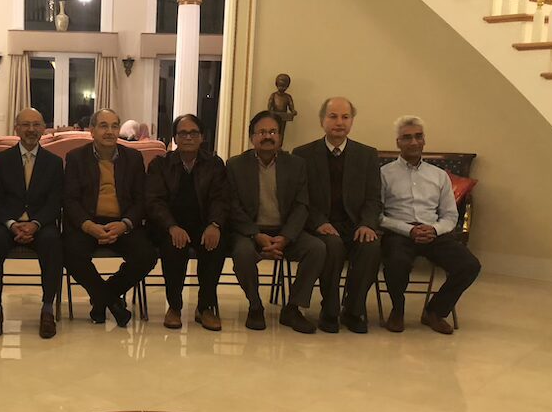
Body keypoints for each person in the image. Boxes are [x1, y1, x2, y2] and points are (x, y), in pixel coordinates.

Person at [380, 116, 481, 334]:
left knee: (469, 265)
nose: (414, 142)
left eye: (418, 136)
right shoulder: (384, 174)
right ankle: (397, 310)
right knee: (396, 262)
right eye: (407, 137)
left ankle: (435, 311)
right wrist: (409, 230)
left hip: (433, 233)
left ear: (424, 140)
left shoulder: (439, 176)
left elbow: (450, 216)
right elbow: (378, 216)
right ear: (398, 142)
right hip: (399, 233)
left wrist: (434, 229)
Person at [226, 111, 325, 333]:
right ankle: (255, 305)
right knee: (242, 253)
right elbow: (233, 207)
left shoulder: (296, 165)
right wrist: (256, 235)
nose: (267, 136)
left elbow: (302, 204)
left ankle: (293, 308)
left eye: (272, 132)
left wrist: (286, 237)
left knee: (317, 248)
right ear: (252, 137)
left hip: (285, 231)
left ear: (280, 137)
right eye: (261, 132)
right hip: (250, 232)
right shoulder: (235, 165)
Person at [293, 97, 382, 333]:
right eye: (333, 116)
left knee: (371, 246)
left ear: (352, 121)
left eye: (345, 117)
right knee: (331, 246)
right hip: (320, 225)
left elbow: (373, 198)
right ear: (322, 120)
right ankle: (330, 309)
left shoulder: (367, 155)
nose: (339, 122)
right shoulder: (302, 154)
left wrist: (367, 224)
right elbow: (301, 198)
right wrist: (319, 222)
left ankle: (353, 310)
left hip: (355, 225)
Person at [63, 108, 158, 327]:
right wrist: (89, 226)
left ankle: (103, 298)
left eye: (114, 126)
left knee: (146, 255)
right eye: (103, 126)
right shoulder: (76, 158)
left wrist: (125, 224)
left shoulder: (133, 158)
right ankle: (112, 303)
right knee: (69, 252)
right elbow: (69, 199)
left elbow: (140, 200)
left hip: (122, 223)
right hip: (88, 223)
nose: (109, 131)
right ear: (92, 130)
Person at [0, 108, 64, 339]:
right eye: (26, 125)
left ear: (43, 129)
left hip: (41, 224)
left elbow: (55, 201)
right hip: (6, 224)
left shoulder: (54, 162)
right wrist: (11, 224)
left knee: (53, 242)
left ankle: (47, 309)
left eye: (36, 125)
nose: (31, 129)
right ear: (16, 128)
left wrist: (36, 224)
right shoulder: (1, 160)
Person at [146, 113, 227, 331]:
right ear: (175, 138)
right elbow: (154, 201)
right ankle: (174, 306)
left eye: (193, 133)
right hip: (169, 226)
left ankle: (205, 307)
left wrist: (215, 225)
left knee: (215, 245)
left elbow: (221, 198)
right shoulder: (160, 165)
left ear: (202, 137)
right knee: (173, 247)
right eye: (183, 133)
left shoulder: (214, 164)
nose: (188, 137)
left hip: (204, 224)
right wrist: (172, 226)